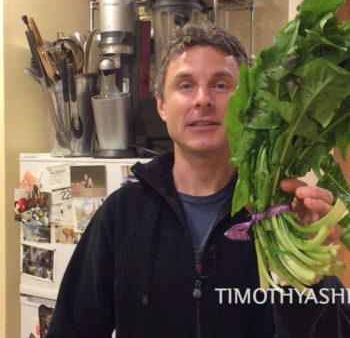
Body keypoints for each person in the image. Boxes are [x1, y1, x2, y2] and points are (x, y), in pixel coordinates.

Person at [47, 22, 350, 338]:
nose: (203, 99)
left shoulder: (281, 217)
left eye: (221, 85)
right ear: (162, 105)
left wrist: (313, 281)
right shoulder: (121, 214)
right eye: (185, 85)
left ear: (249, 105)